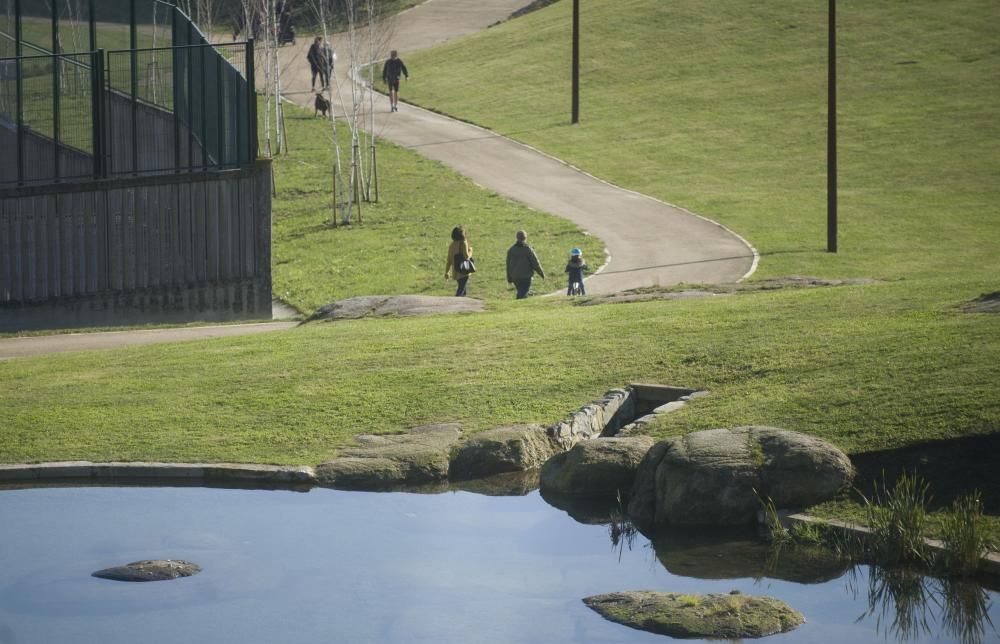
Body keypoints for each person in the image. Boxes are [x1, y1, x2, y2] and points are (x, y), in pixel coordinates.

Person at [506, 230, 545, 299]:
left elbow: (508, 265)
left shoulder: (511, 250)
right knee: (523, 293)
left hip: (515, 277)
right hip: (526, 277)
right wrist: (542, 274)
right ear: (525, 238)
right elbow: (535, 263)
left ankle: (524, 298)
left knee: (522, 291)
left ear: (516, 237)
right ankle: (519, 302)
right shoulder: (528, 250)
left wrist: (509, 277)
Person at [445, 226, 473, 297]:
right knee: (461, 290)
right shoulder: (463, 243)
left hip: (456, 271)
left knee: (463, 290)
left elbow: (449, 260)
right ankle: (455, 302)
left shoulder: (452, 245)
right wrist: (470, 251)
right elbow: (467, 257)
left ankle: (463, 302)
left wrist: (447, 272)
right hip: (464, 271)